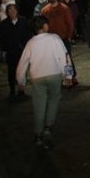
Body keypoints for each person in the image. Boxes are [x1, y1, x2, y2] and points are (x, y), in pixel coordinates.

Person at [16, 16, 69, 149]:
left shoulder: (30, 43)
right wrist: (68, 75)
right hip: (54, 74)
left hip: (37, 76)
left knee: (39, 105)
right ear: (44, 26)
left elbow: (23, 63)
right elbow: (65, 57)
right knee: (53, 101)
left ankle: (38, 134)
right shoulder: (54, 38)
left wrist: (21, 80)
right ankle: (48, 128)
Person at [0, 3, 32, 100]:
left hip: (22, 50)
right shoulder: (4, 23)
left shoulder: (23, 21)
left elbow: (28, 34)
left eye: (14, 9)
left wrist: (28, 47)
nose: (12, 11)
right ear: (7, 12)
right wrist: (4, 51)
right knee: (11, 71)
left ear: (17, 10)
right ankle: (12, 90)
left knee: (22, 70)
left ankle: (21, 90)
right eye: (10, 10)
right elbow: (2, 38)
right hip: (10, 51)